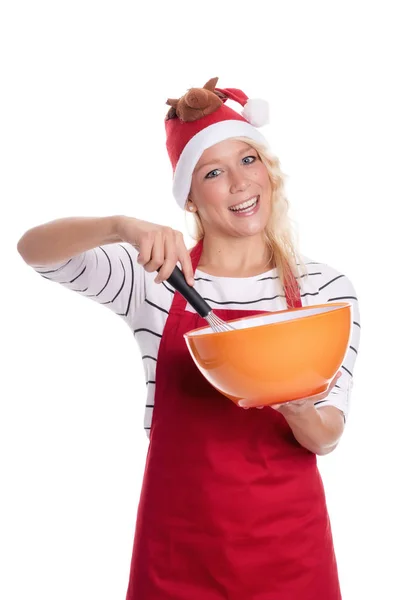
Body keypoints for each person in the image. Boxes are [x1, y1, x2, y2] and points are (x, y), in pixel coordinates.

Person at [17, 77, 360, 599]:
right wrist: (121, 227)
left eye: (248, 160)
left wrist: (297, 408)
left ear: (269, 170)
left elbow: (328, 435)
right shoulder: (154, 278)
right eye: (213, 172)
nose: (240, 184)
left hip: (290, 554)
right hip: (178, 552)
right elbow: (34, 251)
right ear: (191, 197)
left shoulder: (324, 292)